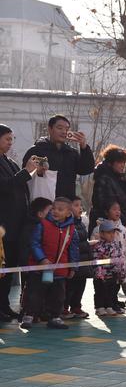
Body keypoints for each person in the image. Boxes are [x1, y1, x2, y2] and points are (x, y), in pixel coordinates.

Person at [0, 125, 39, 321]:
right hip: (3, 226)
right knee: (2, 267)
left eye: (11, 139)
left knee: (10, 269)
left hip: (16, 225)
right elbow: (5, 186)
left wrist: (32, 171)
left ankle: (4, 305)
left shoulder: (10, 162)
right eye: (7, 139)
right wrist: (26, 172)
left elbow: (20, 183)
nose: (10, 143)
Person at [21, 197, 79, 330]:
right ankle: (29, 315)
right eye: (53, 208)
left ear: (68, 213)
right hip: (40, 268)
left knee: (58, 295)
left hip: (59, 271)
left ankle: (55, 317)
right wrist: (42, 259)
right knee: (34, 293)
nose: (55, 211)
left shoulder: (71, 229)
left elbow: (73, 249)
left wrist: (73, 267)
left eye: (60, 209)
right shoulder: (42, 224)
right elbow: (34, 243)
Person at [22, 115, 95, 200]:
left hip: (65, 203)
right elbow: (25, 174)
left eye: (67, 129)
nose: (64, 132)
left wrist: (84, 147)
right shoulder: (37, 150)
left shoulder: (71, 153)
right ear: (50, 129)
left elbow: (86, 169)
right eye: (59, 128)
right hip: (42, 203)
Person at [90, 145, 126, 232]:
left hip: (116, 223)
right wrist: (124, 221)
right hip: (106, 226)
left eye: (124, 163)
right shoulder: (104, 179)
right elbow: (107, 204)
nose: (123, 165)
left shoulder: (118, 179)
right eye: (120, 162)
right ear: (111, 162)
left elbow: (122, 202)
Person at [62, 196, 91, 320]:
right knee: (70, 286)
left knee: (80, 285)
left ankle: (76, 306)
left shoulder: (82, 224)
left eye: (80, 205)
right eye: (76, 205)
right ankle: (64, 307)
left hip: (83, 261)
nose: (80, 208)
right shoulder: (67, 225)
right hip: (73, 261)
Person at [91, 220, 126, 317]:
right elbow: (95, 259)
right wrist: (98, 274)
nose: (112, 235)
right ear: (102, 233)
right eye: (109, 232)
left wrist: (121, 271)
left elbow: (120, 257)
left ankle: (109, 306)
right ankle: (99, 307)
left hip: (113, 272)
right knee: (100, 291)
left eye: (113, 232)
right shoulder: (97, 245)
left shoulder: (116, 244)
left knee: (112, 290)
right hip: (101, 274)